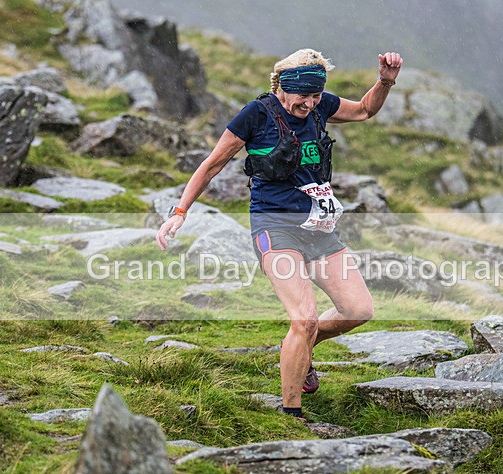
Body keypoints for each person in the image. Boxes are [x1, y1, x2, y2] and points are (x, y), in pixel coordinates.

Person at [157, 49, 403, 421]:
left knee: (358, 310)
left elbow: (365, 110)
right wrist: (179, 212)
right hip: (275, 228)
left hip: (318, 229)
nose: (311, 103)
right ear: (284, 88)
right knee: (303, 320)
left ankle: (299, 349)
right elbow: (212, 165)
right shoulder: (257, 114)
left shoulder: (322, 106)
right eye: (303, 96)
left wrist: (385, 81)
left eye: (317, 95)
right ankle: (292, 413)